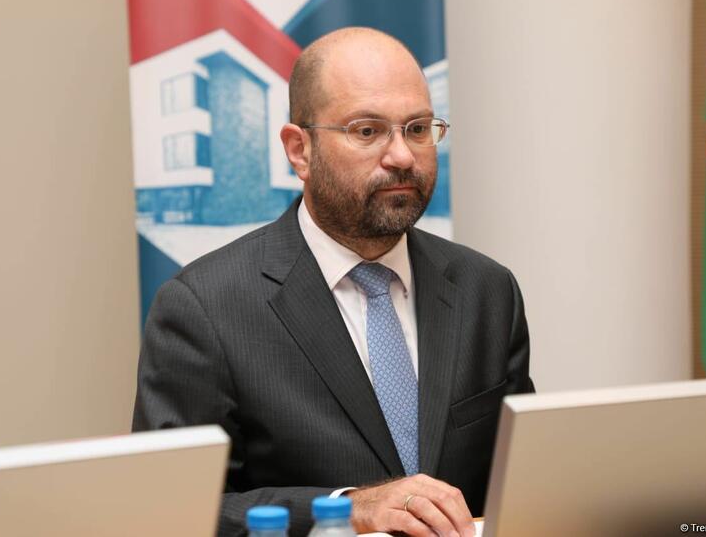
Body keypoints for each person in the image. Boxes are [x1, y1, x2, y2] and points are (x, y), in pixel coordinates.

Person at [133, 27, 535, 537]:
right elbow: (169, 510)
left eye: (417, 129)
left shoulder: (487, 291)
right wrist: (346, 509)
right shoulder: (206, 307)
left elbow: (521, 479)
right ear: (299, 150)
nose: (402, 156)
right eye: (367, 131)